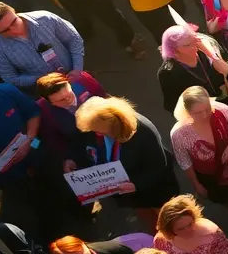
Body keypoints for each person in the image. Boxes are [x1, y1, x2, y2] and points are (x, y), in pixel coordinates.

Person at [69, 96, 180, 227]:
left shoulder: (142, 131)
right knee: (152, 223)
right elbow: (83, 143)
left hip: (154, 189)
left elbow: (160, 166)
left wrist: (136, 185)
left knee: (171, 222)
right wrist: (72, 159)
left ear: (112, 123)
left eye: (99, 131)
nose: (97, 134)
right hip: (130, 194)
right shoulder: (98, 126)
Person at [169, 87, 228, 218]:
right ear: (187, 111)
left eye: (207, 109)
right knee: (224, 198)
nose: (204, 115)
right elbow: (184, 161)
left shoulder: (223, 111)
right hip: (210, 176)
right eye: (197, 113)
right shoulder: (179, 133)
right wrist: (196, 184)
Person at [0, 1, 84, 91]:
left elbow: (74, 40)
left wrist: (77, 69)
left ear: (15, 11)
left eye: (14, 23)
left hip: (77, 74)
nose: (13, 30)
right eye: (4, 31)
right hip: (49, 91)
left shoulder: (45, 18)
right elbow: (11, 78)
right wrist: (43, 79)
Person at [157, 25, 228, 113]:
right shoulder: (168, 73)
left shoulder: (204, 51)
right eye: (188, 45)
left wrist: (209, 53)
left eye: (194, 41)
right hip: (200, 113)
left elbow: (227, 72)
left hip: (225, 104)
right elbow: (172, 105)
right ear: (174, 50)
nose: (195, 46)